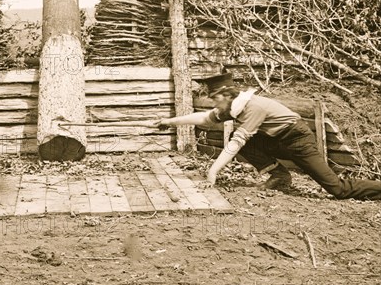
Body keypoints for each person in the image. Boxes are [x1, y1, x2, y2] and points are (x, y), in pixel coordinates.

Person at [154, 73, 381, 200]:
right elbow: (205, 118)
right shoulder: (233, 106)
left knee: (337, 189)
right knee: (243, 139)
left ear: (225, 94)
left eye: (215, 98)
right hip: (278, 141)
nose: (213, 103)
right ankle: (280, 176)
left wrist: (212, 172)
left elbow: (234, 145)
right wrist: (168, 122)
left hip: (298, 141)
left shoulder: (253, 107)